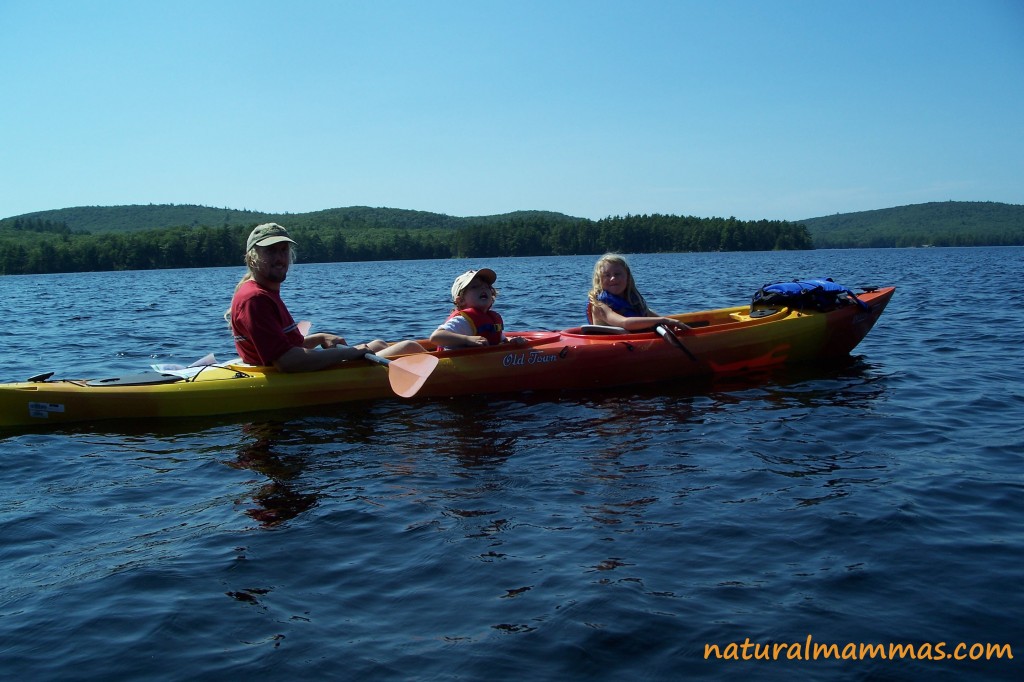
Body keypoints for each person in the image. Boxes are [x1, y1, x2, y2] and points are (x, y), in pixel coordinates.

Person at [227, 223, 425, 371]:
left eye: (283, 250)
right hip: (286, 375)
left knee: (379, 343)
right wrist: (344, 353)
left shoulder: (261, 293)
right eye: (270, 251)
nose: (279, 258)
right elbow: (286, 361)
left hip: (285, 368)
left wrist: (319, 337)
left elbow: (281, 346)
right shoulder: (255, 298)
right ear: (252, 256)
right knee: (411, 346)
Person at [586, 253, 690, 332]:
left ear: (627, 277)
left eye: (617, 274)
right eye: (607, 275)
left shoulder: (633, 302)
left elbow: (652, 316)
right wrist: (665, 321)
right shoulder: (599, 306)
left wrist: (671, 326)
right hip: (612, 348)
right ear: (599, 280)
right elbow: (625, 322)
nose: (612, 278)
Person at [430, 269, 527, 350]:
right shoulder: (462, 321)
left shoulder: (491, 320)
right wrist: (467, 339)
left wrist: (511, 341)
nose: (483, 288)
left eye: (487, 286)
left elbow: (500, 339)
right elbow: (436, 337)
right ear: (461, 300)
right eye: (475, 286)